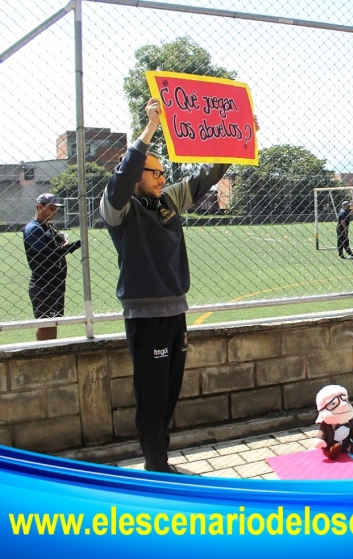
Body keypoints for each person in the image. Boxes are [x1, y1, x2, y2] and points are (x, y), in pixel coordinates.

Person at [99, 98, 232, 474]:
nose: (161, 177)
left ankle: (162, 460)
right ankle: (155, 467)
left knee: (170, 392)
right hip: (147, 318)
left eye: (161, 172)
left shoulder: (168, 199)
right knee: (153, 397)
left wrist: (237, 141)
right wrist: (150, 128)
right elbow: (121, 179)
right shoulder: (117, 208)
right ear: (135, 173)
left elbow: (207, 176)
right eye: (153, 172)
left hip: (176, 312)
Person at [23, 193, 81, 341]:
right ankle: (43, 354)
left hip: (56, 282)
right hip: (43, 283)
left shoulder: (49, 227)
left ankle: (53, 350)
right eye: (51, 208)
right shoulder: (33, 229)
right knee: (45, 323)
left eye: (56, 208)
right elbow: (47, 254)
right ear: (39, 207)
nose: (54, 212)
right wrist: (75, 245)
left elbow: (60, 245)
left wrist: (66, 244)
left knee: (54, 321)